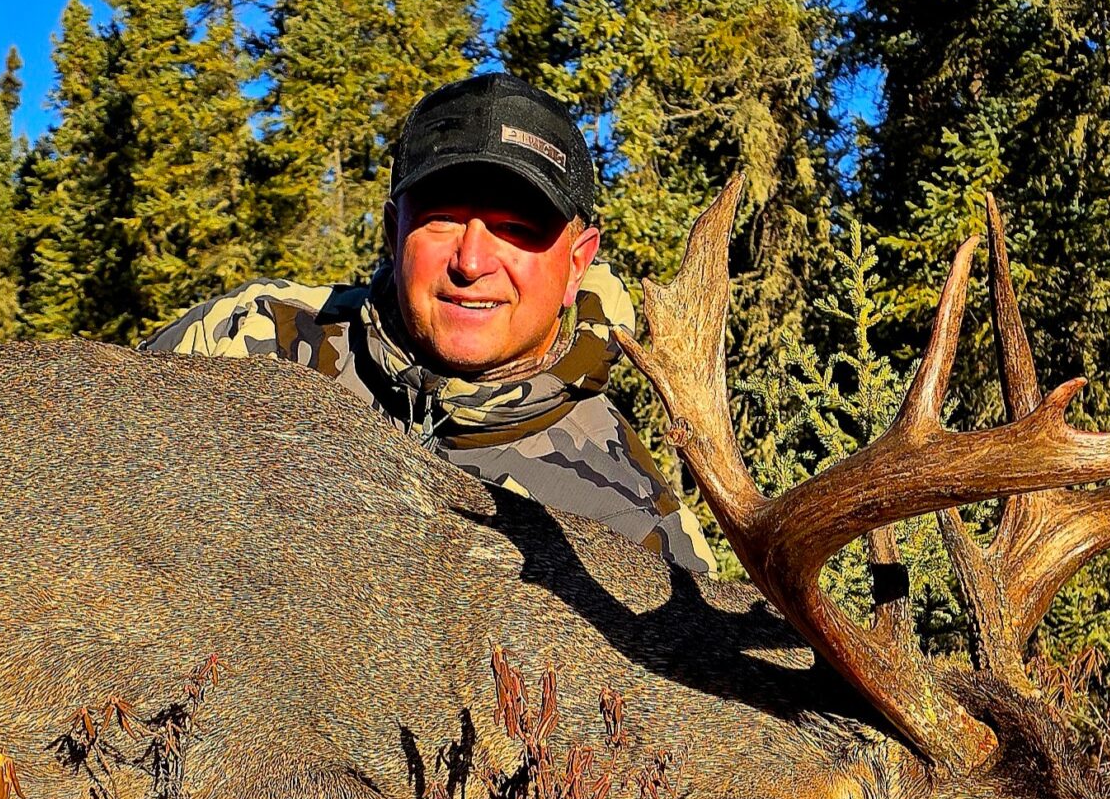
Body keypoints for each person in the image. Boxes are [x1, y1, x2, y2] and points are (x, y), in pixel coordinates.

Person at [145, 72, 714, 573]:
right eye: (441, 219)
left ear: (577, 262)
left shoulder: (637, 523)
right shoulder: (243, 341)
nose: (471, 262)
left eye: (515, 229)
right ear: (394, 233)